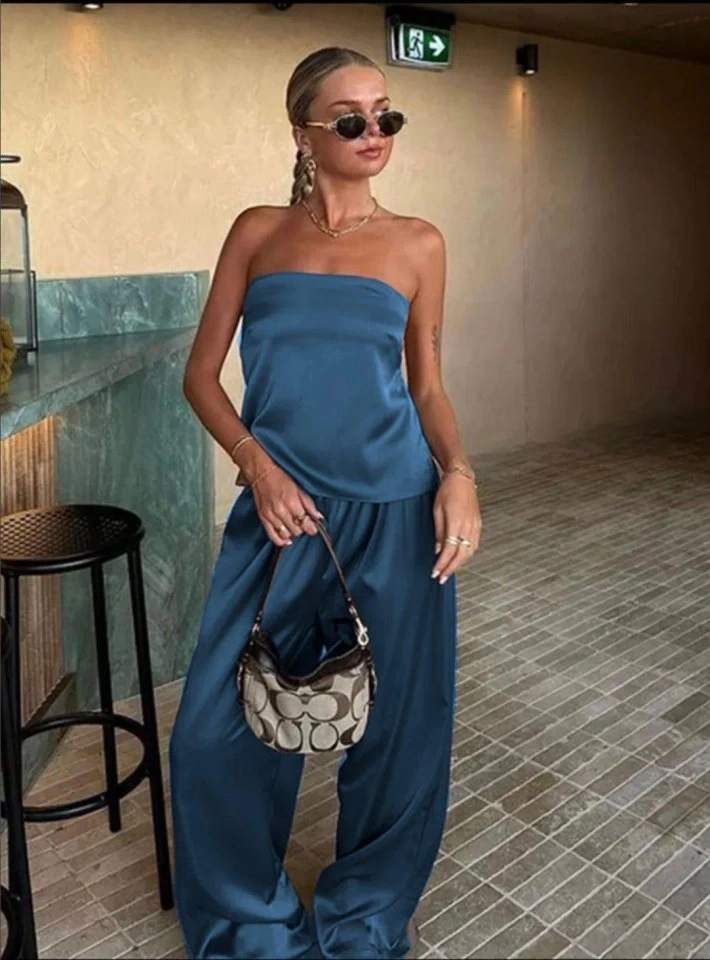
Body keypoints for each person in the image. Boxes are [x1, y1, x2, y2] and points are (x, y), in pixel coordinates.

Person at [169, 46, 482, 960]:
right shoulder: (258, 233)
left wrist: (459, 472)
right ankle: (251, 924)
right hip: (278, 515)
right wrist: (257, 466)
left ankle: (365, 913)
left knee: (401, 730)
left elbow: (427, 387)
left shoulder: (419, 243)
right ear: (303, 133)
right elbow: (200, 377)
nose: (374, 132)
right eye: (350, 119)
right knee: (212, 735)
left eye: (387, 115)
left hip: (395, 510)